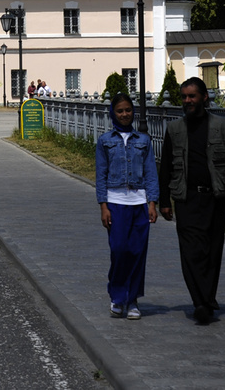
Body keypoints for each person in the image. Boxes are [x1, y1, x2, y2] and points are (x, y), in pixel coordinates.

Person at [158, 77, 225, 325]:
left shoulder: (221, 126)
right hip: (186, 197)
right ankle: (200, 302)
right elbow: (165, 169)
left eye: (192, 96)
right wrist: (164, 201)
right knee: (191, 251)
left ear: (204, 97)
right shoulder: (174, 130)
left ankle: (207, 298)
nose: (187, 101)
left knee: (212, 250)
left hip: (215, 197)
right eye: (184, 97)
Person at [96, 92, 158, 320]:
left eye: (128, 110)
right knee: (119, 249)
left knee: (137, 252)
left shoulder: (143, 141)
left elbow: (151, 172)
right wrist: (103, 206)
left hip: (139, 203)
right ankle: (117, 295)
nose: (124, 114)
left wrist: (153, 202)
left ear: (134, 112)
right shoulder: (105, 141)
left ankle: (132, 300)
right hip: (116, 203)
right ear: (113, 113)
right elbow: (100, 174)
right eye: (120, 111)